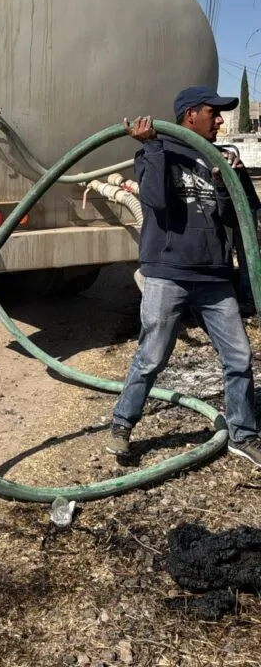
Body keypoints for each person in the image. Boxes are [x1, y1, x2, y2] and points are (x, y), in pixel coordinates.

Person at [108, 86, 261, 465]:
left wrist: (229, 181)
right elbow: (157, 203)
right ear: (191, 115)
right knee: (152, 356)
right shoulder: (155, 151)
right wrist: (155, 147)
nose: (221, 120)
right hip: (168, 274)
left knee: (239, 356)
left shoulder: (224, 158)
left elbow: (242, 216)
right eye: (215, 112)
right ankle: (122, 424)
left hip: (213, 277)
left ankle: (242, 433)